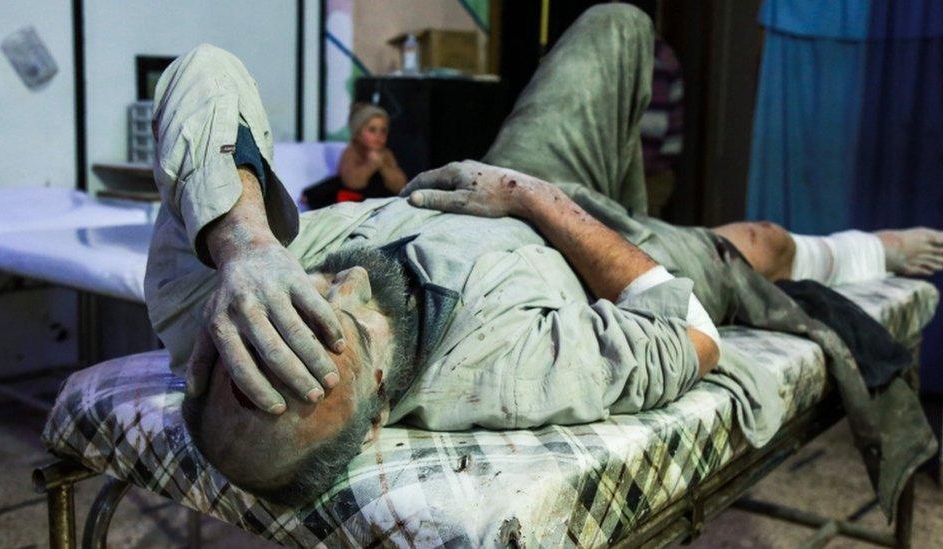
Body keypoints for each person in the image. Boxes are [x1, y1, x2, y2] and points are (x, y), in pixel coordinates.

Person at [147, 6, 940, 511]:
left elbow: (205, 68)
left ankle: (620, 195)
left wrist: (247, 245)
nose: (345, 279)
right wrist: (536, 202)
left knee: (620, 23)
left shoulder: (212, 305)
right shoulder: (511, 372)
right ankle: (870, 247)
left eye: (307, 298)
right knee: (758, 242)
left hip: (499, 180)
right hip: (550, 216)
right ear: (378, 410)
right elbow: (692, 335)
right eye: (349, 328)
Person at [301, 103, 408, 208]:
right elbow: (352, 183)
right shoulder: (351, 152)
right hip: (354, 194)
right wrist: (370, 165)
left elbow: (400, 185)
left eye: (383, 131)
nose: (378, 135)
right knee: (331, 187)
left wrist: (384, 167)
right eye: (372, 130)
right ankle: (309, 197)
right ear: (357, 133)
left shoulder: (386, 153)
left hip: (376, 194)